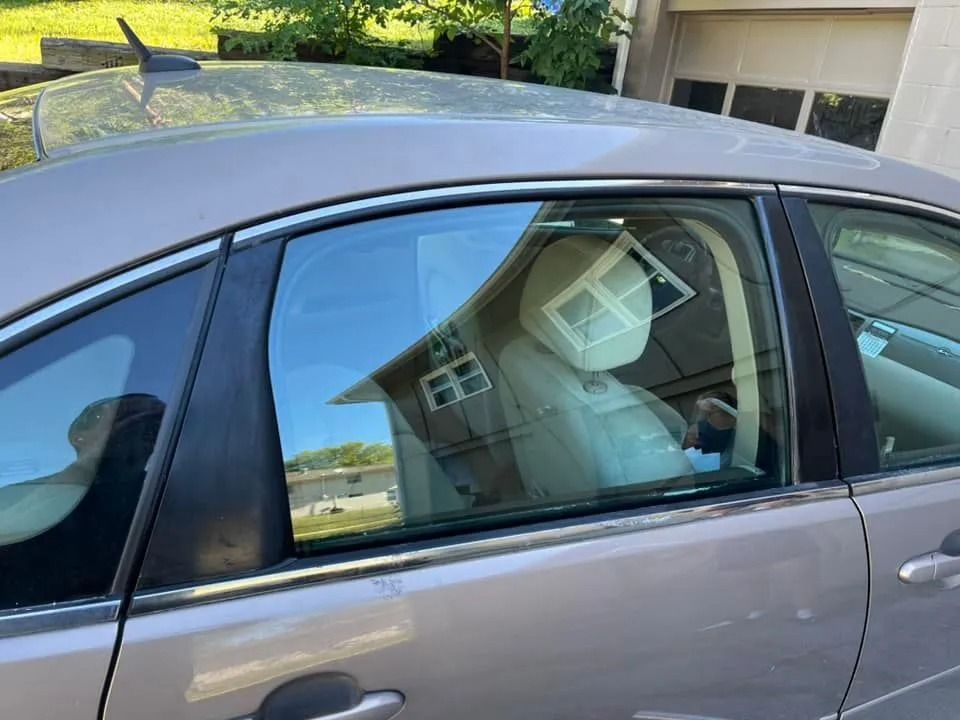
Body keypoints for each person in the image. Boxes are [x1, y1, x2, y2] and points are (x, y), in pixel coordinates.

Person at [681, 390, 737, 472]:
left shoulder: (743, 433)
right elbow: (686, 460)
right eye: (701, 414)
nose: (706, 419)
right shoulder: (696, 432)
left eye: (710, 413)